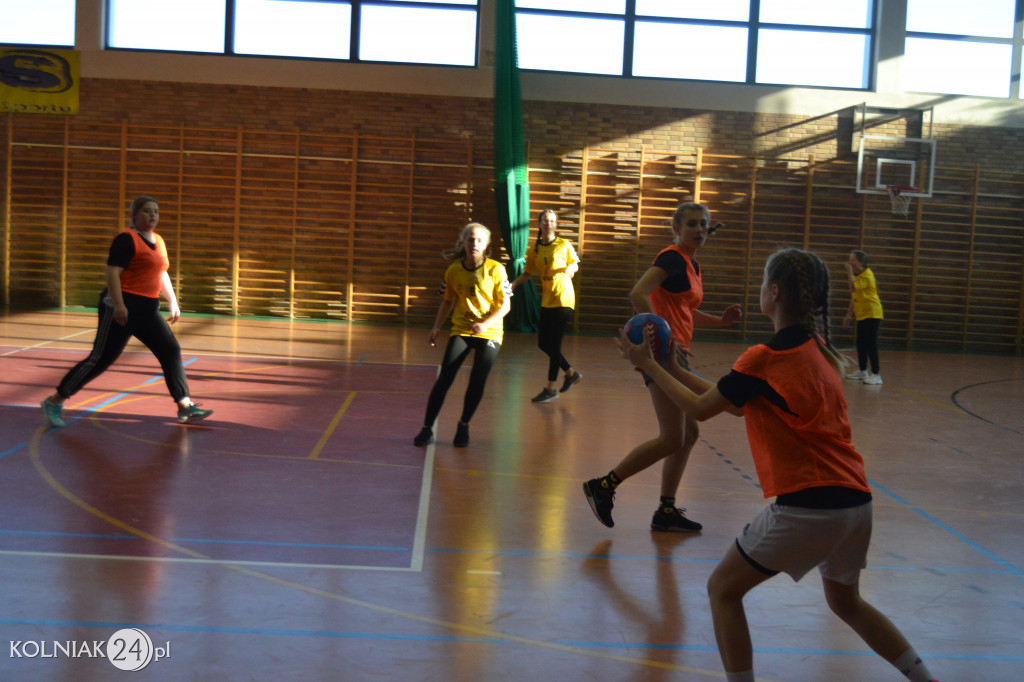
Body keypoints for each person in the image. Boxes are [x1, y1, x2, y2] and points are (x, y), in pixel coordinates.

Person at [618, 247, 940, 682]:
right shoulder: (817, 348)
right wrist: (672, 366)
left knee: (722, 590)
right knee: (847, 603)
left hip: (810, 505)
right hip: (856, 501)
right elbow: (734, 404)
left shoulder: (764, 357)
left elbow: (699, 409)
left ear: (773, 293)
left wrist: (649, 366)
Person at [583, 202, 742, 532]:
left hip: (674, 356)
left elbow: (686, 311)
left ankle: (666, 510)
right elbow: (639, 294)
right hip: (663, 357)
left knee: (688, 434)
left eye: (704, 224)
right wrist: (660, 338)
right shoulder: (671, 257)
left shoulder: (691, 265)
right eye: (692, 224)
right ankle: (603, 486)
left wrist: (721, 322)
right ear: (677, 229)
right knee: (672, 438)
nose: (699, 229)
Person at [40, 195, 213, 428]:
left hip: (148, 309)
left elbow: (161, 272)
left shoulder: (159, 241)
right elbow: (112, 272)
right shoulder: (126, 239)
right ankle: (54, 401)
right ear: (135, 215)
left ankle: (185, 406)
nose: (153, 215)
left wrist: (172, 300)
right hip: (122, 306)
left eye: (156, 211)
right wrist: (119, 305)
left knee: (170, 350)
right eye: (147, 211)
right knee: (100, 359)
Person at [413, 222, 511, 448]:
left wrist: (485, 324)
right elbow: (447, 301)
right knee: (444, 379)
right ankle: (427, 428)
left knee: (477, 379)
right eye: (470, 239)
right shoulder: (453, 271)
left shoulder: (496, 269)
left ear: (486, 245)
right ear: (463, 242)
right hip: (462, 329)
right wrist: (436, 327)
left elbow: (506, 305)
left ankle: (464, 424)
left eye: (479, 240)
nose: (474, 243)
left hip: (490, 331)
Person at [510, 209, 582, 403]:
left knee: (554, 344)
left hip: (564, 299)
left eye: (551, 221)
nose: (548, 223)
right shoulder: (534, 250)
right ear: (539, 224)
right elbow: (527, 274)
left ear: (556, 225)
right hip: (548, 300)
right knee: (543, 343)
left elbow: (575, 263)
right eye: (545, 220)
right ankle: (571, 373)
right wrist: (514, 284)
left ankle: (550, 389)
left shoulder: (564, 244)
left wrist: (571, 268)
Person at [843, 249, 884, 385]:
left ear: (861, 262)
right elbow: (854, 297)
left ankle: (876, 374)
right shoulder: (856, 276)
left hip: (872, 312)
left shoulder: (867, 275)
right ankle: (862, 370)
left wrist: (849, 273)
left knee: (871, 343)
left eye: (853, 260)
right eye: (850, 260)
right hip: (862, 314)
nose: (850, 263)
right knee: (860, 343)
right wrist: (848, 315)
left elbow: (852, 288)